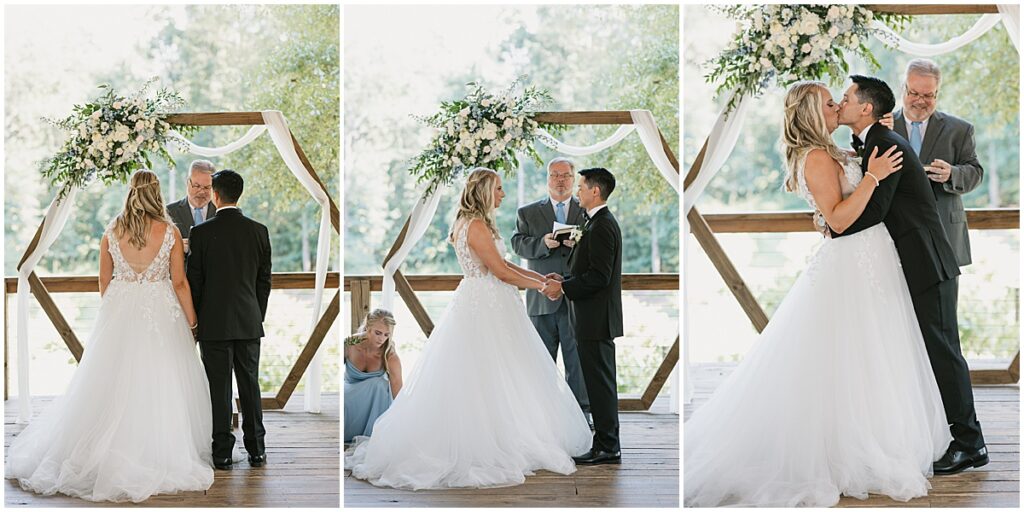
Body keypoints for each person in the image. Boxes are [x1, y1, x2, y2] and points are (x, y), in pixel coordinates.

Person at [684, 80, 951, 507]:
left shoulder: (832, 150)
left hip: (872, 260)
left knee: (873, 354)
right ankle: (846, 451)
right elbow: (841, 220)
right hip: (852, 261)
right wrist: (872, 179)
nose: (838, 105)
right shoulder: (816, 158)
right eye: (831, 103)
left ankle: (874, 437)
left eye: (841, 100)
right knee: (848, 357)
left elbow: (831, 211)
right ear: (812, 114)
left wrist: (872, 138)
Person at [346, 168, 590, 490]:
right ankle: (484, 442)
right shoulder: (474, 225)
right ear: (486, 191)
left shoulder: (478, 223)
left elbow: (504, 264)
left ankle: (506, 431)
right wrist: (542, 288)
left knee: (502, 373)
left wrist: (541, 280)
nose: (503, 194)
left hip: (489, 302)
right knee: (485, 374)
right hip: (485, 306)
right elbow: (500, 272)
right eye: (499, 189)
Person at [6, 170, 214, 503]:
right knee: (161, 380)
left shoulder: (112, 231)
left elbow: (104, 282)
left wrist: (119, 310)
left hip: (121, 311)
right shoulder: (171, 232)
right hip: (161, 313)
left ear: (131, 193)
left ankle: (104, 450)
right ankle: (154, 450)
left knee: (111, 382)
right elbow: (178, 283)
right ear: (156, 194)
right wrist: (191, 321)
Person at [835, 75, 987, 475]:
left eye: (846, 97)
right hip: (913, 261)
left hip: (929, 261)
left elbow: (875, 211)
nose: (842, 102)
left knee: (943, 351)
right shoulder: (874, 142)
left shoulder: (884, 146)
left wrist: (834, 224)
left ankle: (970, 443)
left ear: (865, 107)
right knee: (928, 350)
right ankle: (942, 433)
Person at [187, 169, 272, 471]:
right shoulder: (258, 231)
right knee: (250, 385)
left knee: (219, 389)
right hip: (249, 321)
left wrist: (196, 321)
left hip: (214, 325)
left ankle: (222, 453)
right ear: (239, 194)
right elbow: (264, 282)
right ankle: (257, 450)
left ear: (215, 194)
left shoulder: (201, 233)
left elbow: (194, 282)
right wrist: (255, 314)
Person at [542, 167, 623, 465]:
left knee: (600, 385)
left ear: (595, 192)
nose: (577, 192)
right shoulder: (596, 222)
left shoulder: (602, 226)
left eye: (581, 187)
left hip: (596, 319)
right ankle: (606, 443)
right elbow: (586, 270)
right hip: (592, 318)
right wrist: (562, 277)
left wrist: (563, 287)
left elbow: (599, 277)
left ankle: (608, 447)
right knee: (598, 382)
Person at [893, 58, 983, 301]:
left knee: (943, 319)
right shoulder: (884, 126)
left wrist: (952, 173)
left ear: (937, 93)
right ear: (903, 89)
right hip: (895, 236)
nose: (920, 101)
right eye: (914, 93)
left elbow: (976, 172)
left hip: (945, 237)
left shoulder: (960, 130)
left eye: (928, 95)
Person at [511, 157, 590, 425]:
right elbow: (517, 245)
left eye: (566, 175)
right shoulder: (528, 212)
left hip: (575, 298)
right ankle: (540, 418)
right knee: (540, 362)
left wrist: (576, 242)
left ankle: (580, 416)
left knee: (577, 362)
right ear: (547, 178)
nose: (560, 180)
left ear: (573, 178)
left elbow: (596, 246)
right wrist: (543, 242)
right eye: (555, 174)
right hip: (541, 297)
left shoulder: (586, 209)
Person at [344, 309, 402, 443]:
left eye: (386, 335)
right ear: (368, 327)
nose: (382, 339)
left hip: (375, 401)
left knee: (380, 384)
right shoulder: (350, 343)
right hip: (349, 393)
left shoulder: (389, 354)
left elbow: (398, 390)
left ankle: (373, 434)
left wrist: (401, 419)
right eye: (378, 333)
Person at [167, 159, 217, 251]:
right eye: (197, 186)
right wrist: (177, 246)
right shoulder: (169, 212)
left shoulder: (221, 212)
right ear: (187, 182)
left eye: (207, 187)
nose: (202, 192)